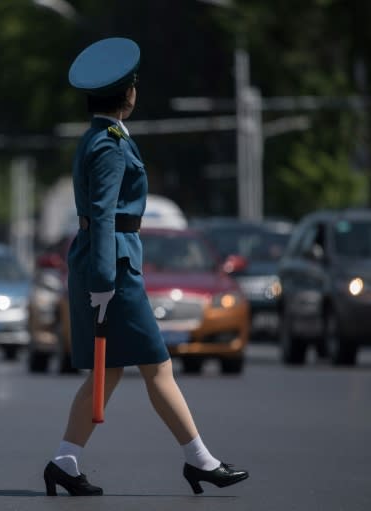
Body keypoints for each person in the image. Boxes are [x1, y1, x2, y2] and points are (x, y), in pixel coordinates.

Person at [42, 37, 249, 497]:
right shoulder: (111, 146)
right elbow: (101, 216)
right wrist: (102, 282)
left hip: (108, 260)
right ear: (128, 95)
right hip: (112, 267)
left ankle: (64, 461)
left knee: (108, 373)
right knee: (158, 366)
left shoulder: (98, 137)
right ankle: (200, 461)